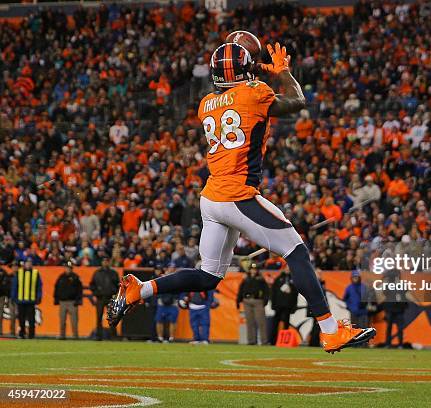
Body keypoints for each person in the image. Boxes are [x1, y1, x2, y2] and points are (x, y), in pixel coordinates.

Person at [107, 41, 375, 353]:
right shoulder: (254, 92)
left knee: (208, 276)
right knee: (296, 253)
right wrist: (282, 72)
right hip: (237, 195)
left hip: (211, 198)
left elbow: (239, 97)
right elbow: (298, 101)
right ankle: (330, 331)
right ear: (245, 70)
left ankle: (141, 290)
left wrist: (254, 69)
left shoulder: (206, 103)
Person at [236, 264, 269, 345]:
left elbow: (266, 291)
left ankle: (264, 341)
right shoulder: (246, 278)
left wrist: (264, 301)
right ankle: (251, 341)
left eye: (255, 269)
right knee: (250, 322)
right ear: (250, 270)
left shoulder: (261, 279)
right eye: (252, 269)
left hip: (258, 301)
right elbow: (241, 290)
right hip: (247, 301)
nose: (253, 271)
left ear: (257, 270)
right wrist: (238, 300)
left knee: (261, 322)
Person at [11, 259, 42, 339]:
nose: (28, 264)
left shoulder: (35, 273)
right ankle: (22, 333)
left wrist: (38, 297)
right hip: (20, 300)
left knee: (31, 319)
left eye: (30, 263)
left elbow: (39, 286)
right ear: (24, 264)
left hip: (31, 300)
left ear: (32, 264)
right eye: (27, 263)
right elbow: (15, 285)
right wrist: (13, 297)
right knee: (21, 319)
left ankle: (31, 334)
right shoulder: (19, 273)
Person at [90, 256, 119, 340]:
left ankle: (113, 335)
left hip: (111, 297)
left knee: (112, 317)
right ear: (101, 262)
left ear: (109, 262)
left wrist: (115, 293)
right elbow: (92, 285)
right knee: (99, 317)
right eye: (104, 261)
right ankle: (99, 336)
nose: (105, 262)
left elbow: (118, 285)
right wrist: (96, 293)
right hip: (100, 298)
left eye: (107, 261)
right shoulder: (97, 273)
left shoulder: (113, 273)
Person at [53, 261, 83, 339]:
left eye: (69, 268)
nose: (67, 269)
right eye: (66, 267)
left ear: (71, 269)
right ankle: (62, 335)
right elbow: (56, 288)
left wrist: (78, 300)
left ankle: (75, 336)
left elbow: (80, 290)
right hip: (62, 302)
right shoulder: (61, 277)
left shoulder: (75, 277)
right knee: (62, 321)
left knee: (74, 321)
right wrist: (56, 299)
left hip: (72, 302)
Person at [270, 269, 298, 345]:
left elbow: (296, 294)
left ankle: (285, 341)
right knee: (275, 324)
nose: (287, 269)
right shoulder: (278, 279)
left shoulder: (293, 279)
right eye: (286, 267)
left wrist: (294, 306)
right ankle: (273, 341)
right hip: (278, 305)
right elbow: (273, 292)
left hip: (288, 305)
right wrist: (273, 305)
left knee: (286, 324)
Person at [0, 262, 17, 336]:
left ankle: (13, 332)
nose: (14, 268)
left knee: (13, 315)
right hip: (5, 296)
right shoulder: (7, 274)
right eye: (13, 266)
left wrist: (7, 296)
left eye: (16, 266)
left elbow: (5, 286)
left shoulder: (4, 273)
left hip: (10, 297)